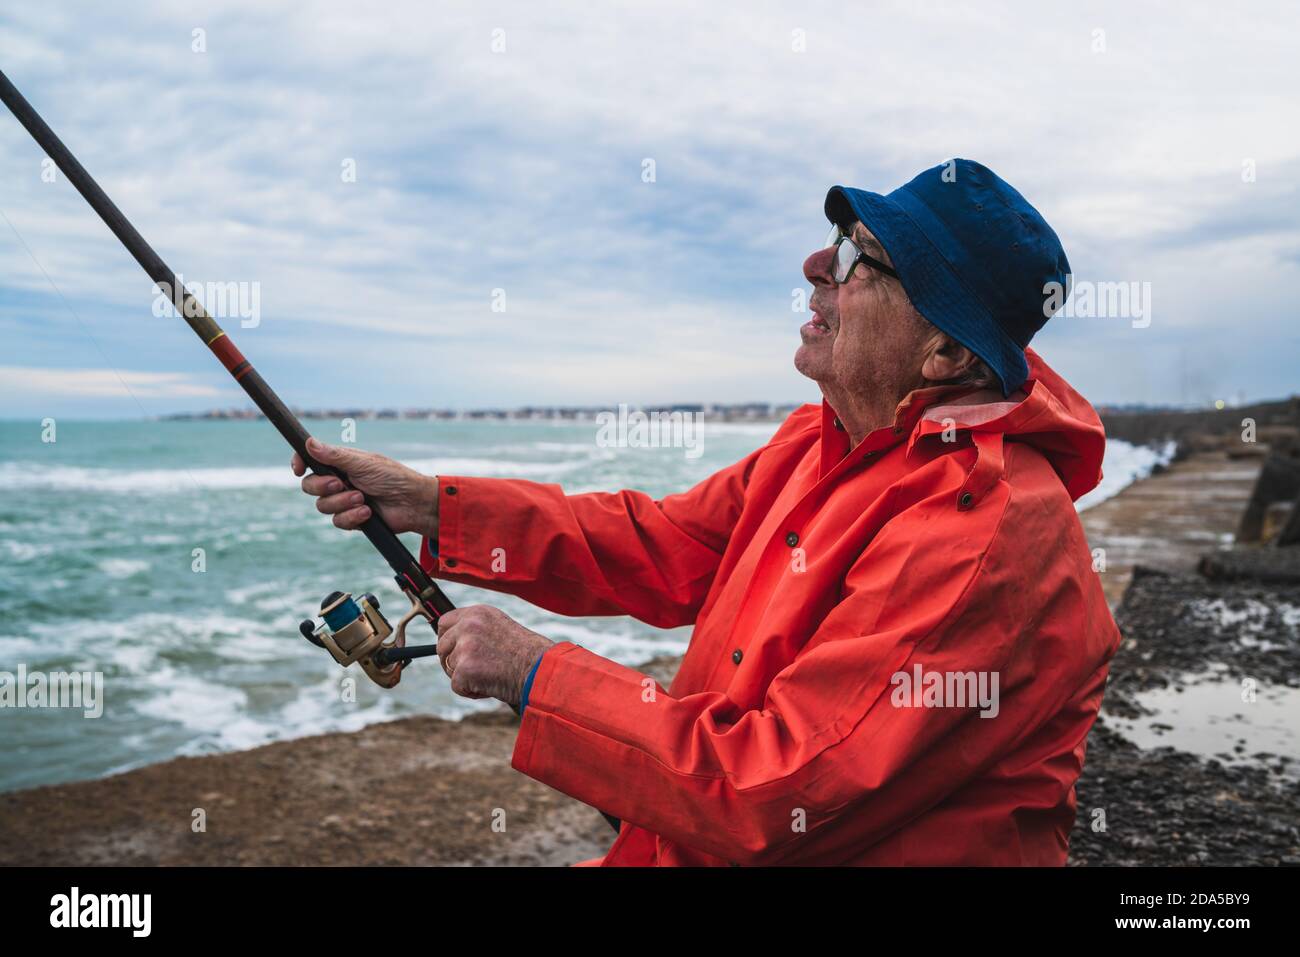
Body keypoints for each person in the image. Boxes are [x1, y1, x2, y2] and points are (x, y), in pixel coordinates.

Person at [292, 158, 1120, 865]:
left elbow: (778, 785)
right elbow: (665, 544)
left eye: (860, 258)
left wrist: (537, 672)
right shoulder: (827, 438)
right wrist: (433, 507)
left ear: (946, 351)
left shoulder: (985, 534)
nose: (814, 266)